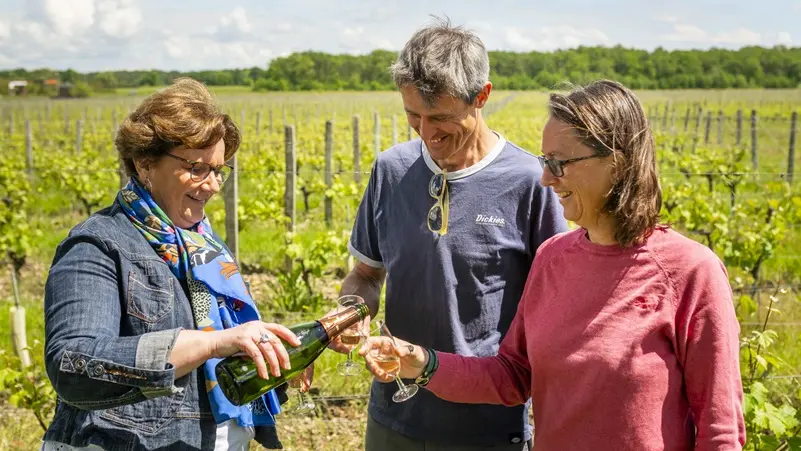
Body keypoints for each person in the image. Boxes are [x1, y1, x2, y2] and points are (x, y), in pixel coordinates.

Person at [360, 79, 747, 450]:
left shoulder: (691, 272)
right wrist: (422, 363)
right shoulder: (552, 258)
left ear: (616, 162)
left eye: (560, 163)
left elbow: (720, 430)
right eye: (545, 161)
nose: (545, 178)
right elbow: (512, 375)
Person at [334, 17, 568, 451]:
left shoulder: (530, 182)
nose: (426, 133)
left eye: (440, 117)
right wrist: (351, 313)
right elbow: (366, 276)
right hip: (393, 418)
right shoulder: (391, 170)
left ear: (482, 96)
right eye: (413, 116)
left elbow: (557, 312)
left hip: (486, 428)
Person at [42, 78, 308, 451]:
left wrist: (274, 359)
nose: (213, 184)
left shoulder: (204, 247)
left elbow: (222, 358)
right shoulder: (98, 244)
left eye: (219, 170)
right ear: (145, 162)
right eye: (197, 167)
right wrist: (213, 343)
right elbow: (72, 363)